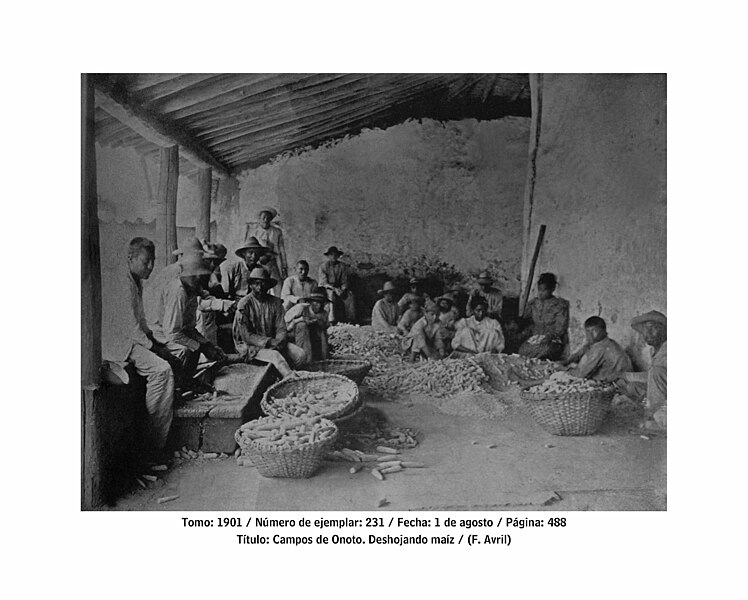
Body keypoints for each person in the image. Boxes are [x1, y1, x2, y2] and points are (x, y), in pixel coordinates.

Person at [102, 237, 176, 458]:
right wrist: (153, 346)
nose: (150, 267)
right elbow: (131, 327)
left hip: (130, 339)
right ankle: (153, 444)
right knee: (162, 371)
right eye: (146, 262)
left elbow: (141, 320)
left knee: (171, 351)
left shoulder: (135, 280)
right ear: (130, 259)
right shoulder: (122, 282)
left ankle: (154, 437)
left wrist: (155, 339)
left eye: (152, 261)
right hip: (117, 344)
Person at [149, 253, 227, 389]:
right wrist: (202, 347)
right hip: (158, 332)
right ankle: (178, 387)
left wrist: (208, 345)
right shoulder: (178, 292)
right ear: (192, 275)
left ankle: (187, 382)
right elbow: (172, 332)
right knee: (186, 350)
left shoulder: (192, 290)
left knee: (195, 347)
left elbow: (189, 328)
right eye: (200, 276)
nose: (202, 280)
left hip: (171, 331)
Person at [232, 267, 308, 377]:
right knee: (276, 356)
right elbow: (246, 335)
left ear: (268, 285)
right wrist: (269, 342)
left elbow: (281, 328)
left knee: (300, 355)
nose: (260, 287)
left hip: (275, 342)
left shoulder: (276, 302)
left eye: (263, 283)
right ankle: (290, 378)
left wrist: (280, 341)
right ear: (251, 285)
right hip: (251, 345)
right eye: (256, 283)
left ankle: (289, 373)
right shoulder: (244, 304)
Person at [616, 311, 667, 429]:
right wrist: (624, 376)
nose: (648, 333)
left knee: (656, 372)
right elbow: (652, 378)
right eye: (645, 329)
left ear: (664, 330)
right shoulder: (654, 350)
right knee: (632, 387)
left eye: (653, 328)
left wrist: (625, 375)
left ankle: (655, 419)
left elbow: (655, 375)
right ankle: (657, 416)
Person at [561, 316, 632, 382]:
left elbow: (580, 374)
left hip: (617, 384)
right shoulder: (601, 342)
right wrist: (567, 361)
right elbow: (581, 352)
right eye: (588, 331)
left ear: (603, 331)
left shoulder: (601, 347)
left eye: (594, 331)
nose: (590, 335)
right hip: (617, 379)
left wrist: (562, 369)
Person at [519, 272, 569, 360]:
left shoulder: (559, 306)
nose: (541, 293)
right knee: (522, 351)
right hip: (536, 338)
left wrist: (548, 337)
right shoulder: (534, 303)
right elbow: (527, 320)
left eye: (544, 290)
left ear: (552, 289)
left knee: (547, 350)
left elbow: (560, 329)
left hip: (552, 340)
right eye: (539, 290)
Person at [196, 242, 234, 346]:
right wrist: (220, 304)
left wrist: (223, 304)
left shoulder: (207, 274)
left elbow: (204, 294)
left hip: (208, 312)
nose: (213, 265)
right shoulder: (193, 274)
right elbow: (196, 302)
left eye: (216, 262)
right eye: (209, 261)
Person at [245, 206, 288, 296]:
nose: (265, 219)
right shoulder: (254, 231)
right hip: (258, 263)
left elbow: (281, 252)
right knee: (257, 286)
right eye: (263, 217)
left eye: (268, 218)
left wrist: (284, 267)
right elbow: (248, 250)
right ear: (259, 218)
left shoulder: (277, 232)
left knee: (278, 287)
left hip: (272, 263)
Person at [284, 287, 330, 361]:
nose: (319, 305)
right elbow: (283, 327)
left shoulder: (323, 313)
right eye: (316, 302)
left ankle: (322, 358)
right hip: (293, 336)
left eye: (321, 303)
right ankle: (304, 359)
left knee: (321, 329)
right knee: (302, 325)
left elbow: (324, 330)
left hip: (311, 340)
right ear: (310, 302)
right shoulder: (300, 308)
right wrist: (300, 320)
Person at [220, 236, 272, 301]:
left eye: (257, 253)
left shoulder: (262, 270)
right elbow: (226, 293)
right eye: (250, 253)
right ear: (244, 254)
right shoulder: (233, 267)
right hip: (235, 302)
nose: (254, 256)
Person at [318, 246, 356, 324]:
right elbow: (324, 283)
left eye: (335, 254)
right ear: (328, 256)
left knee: (350, 296)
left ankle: (350, 319)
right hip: (327, 289)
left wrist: (343, 289)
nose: (334, 256)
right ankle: (332, 320)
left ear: (338, 256)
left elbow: (344, 281)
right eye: (331, 254)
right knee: (331, 295)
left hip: (339, 288)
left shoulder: (342, 266)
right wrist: (335, 289)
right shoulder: (323, 266)